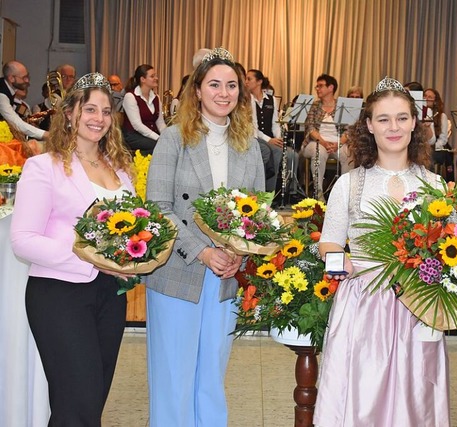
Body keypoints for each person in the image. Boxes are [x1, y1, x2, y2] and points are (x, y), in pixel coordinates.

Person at [313, 77, 449, 426]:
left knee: (416, 400)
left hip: (418, 306)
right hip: (363, 308)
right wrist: (340, 263)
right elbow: (327, 243)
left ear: (414, 123)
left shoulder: (433, 185)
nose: (394, 127)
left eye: (402, 118)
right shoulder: (349, 183)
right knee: (362, 400)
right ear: (369, 125)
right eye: (384, 119)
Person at [145, 47, 264, 427]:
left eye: (232, 85)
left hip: (226, 278)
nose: (224, 93)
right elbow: (158, 208)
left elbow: (257, 217)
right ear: (197, 90)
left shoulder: (249, 147)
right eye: (214, 84)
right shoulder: (173, 139)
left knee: (211, 377)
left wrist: (239, 258)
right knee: (173, 379)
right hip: (178, 275)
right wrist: (202, 252)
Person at [10, 72, 135, 426]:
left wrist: (133, 259)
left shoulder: (121, 171)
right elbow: (23, 239)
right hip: (59, 295)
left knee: (89, 404)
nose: (99, 118)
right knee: (76, 404)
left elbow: (134, 229)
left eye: (106, 111)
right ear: (69, 114)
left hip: (112, 295)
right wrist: (90, 258)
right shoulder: (43, 167)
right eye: (89, 109)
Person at [302, 73, 353, 201]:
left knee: (348, 153)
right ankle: (318, 194)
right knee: (319, 151)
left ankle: (346, 194)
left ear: (331, 88)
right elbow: (310, 128)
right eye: (317, 86)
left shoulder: (342, 107)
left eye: (320, 86)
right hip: (317, 142)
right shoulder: (314, 106)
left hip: (337, 143)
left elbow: (349, 130)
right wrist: (324, 143)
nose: (317, 89)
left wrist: (338, 144)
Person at [246, 68, 297, 193]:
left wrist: (278, 139)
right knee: (276, 152)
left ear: (259, 82)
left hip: (271, 138)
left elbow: (275, 123)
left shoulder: (271, 99)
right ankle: (269, 191)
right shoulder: (248, 100)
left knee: (293, 155)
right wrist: (270, 140)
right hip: (258, 138)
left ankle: (291, 191)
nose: (245, 81)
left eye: (249, 79)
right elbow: (253, 127)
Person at [122, 64, 167, 155]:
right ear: (143, 79)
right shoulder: (130, 97)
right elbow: (137, 125)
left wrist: (167, 136)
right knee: (158, 146)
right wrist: (158, 138)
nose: (156, 78)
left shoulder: (156, 97)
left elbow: (160, 123)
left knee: (167, 145)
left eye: (156, 75)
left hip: (150, 136)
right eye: (152, 76)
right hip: (133, 136)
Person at [0, 61, 48, 140]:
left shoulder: (6, 89)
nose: (27, 81)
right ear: (11, 78)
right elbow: (16, 123)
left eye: (28, 77)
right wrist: (46, 135)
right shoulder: (1, 95)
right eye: (24, 78)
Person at [425, 87, 453, 181]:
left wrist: (431, 147)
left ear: (435, 101)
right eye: (424, 96)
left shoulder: (442, 116)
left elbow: (443, 139)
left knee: (430, 156)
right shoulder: (418, 115)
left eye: (430, 97)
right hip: (423, 147)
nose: (426, 98)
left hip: (438, 148)